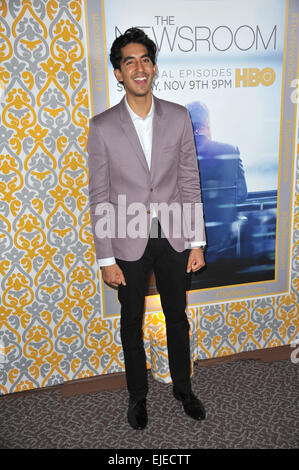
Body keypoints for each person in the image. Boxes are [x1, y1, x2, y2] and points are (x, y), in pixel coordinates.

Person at [87, 28, 206, 430]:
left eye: (144, 60)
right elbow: (99, 194)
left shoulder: (178, 116)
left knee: (177, 317)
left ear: (153, 67)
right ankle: (137, 397)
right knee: (130, 323)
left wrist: (196, 241)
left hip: (174, 235)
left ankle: (184, 389)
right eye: (128, 61)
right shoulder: (102, 127)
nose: (138, 68)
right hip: (126, 238)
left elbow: (190, 180)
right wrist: (106, 258)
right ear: (118, 73)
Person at [186, 101, 247, 262]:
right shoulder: (230, 150)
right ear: (207, 123)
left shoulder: (176, 156)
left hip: (190, 251)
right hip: (225, 245)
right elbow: (241, 194)